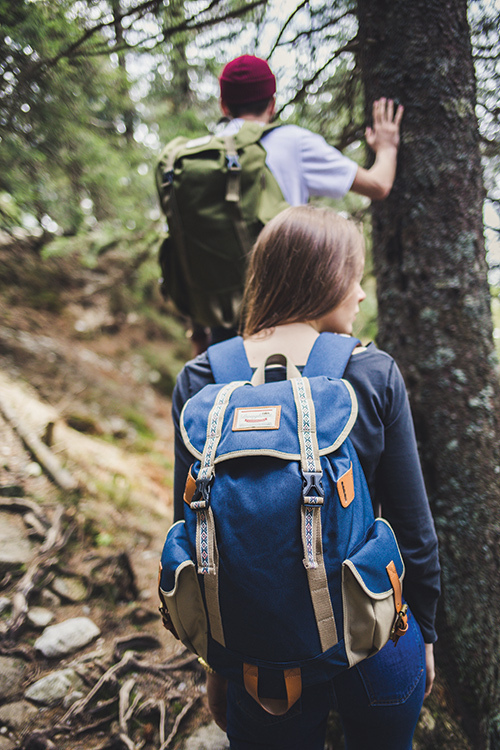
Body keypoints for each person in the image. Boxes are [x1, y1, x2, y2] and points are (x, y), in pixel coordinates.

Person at [171, 205, 440, 750]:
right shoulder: (371, 371)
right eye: (354, 276)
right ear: (325, 278)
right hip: (376, 638)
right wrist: (427, 636)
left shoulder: (203, 378)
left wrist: (216, 661)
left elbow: (195, 534)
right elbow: (414, 531)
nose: (361, 294)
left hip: (255, 657)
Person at [189, 54, 404, 353]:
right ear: (272, 104)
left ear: (224, 106)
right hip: (284, 310)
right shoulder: (292, 141)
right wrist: (387, 146)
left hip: (222, 311)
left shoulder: (202, 157)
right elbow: (378, 185)